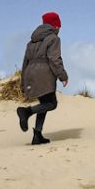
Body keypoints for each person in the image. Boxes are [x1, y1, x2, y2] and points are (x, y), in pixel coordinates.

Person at [17, 11, 69, 145]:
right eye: (59, 26)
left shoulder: (31, 42)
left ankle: (37, 135)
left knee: (44, 103)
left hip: (31, 74)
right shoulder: (54, 39)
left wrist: (23, 83)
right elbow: (54, 59)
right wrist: (62, 76)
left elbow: (25, 62)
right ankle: (26, 112)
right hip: (44, 75)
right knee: (52, 104)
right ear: (55, 26)